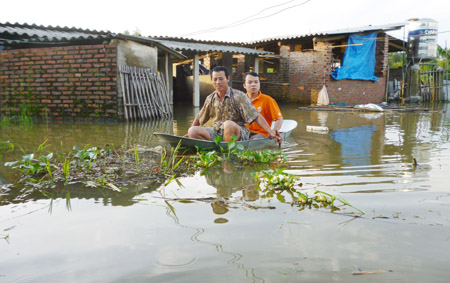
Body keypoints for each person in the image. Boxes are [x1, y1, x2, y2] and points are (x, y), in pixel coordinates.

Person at [187, 66, 281, 143]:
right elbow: (200, 117)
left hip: (238, 131)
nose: (218, 82)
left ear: (227, 79)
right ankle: (217, 147)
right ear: (211, 80)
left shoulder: (239, 95)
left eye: (221, 79)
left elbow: (255, 115)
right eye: (215, 79)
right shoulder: (210, 98)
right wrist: (188, 134)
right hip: (217, 131)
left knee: (228, 124)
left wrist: (271, 131)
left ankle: (227, 154)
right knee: (193, 131)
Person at [243, 71, 283, 140]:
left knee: (254, 140)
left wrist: (274, 130)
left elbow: (279, 119)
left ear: (259, 84)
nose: (253, 85)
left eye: (256, 82)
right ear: (244, 85)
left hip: (261, 134)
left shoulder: (268, 100)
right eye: (250, 82)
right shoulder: (241, 100)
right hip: (244, 132)